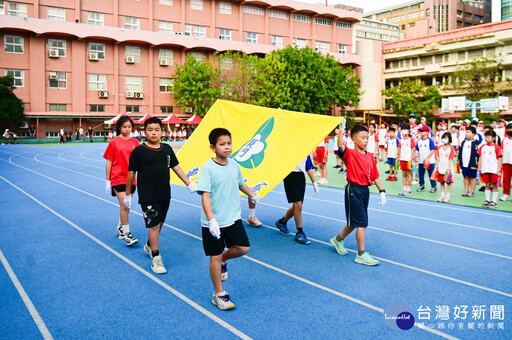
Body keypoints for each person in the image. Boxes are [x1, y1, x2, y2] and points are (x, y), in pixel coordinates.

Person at [198, 128, 261, 310]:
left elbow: (241, 183)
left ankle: (224, 260)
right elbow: (205, 196)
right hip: (214, 222)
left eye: (229, 143)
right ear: (213, 147)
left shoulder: (234, 165)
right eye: (222, 144)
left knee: (243, 248)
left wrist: (252, 194)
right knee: (214, 257)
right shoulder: (208, 168)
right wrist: (211, 220)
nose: (227, 147)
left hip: (233, 218)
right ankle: (219, 293)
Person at [125, 117, 197, 274]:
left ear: (162, 132)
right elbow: (131, 173)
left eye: (157, 130)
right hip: (148, 195)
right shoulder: (139, 151)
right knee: (154, 225)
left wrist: (189, 183)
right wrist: (128, 194)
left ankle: (150, 245)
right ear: (144, 132)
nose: (153, 133)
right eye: (150, 130)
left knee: (160, 223)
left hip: (164, 193)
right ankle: (156, 258)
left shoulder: (167, 149)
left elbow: (176, 167)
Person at [330, 124, 386, 266]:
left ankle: (338, 239)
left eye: (367, 138)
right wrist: (342, 130)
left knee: (355, 221)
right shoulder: (349, 154)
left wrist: (382, 191)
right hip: (353, 189)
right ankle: (361, 254)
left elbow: (375, 176)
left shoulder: (370, 157)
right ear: (354, 140)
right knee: (362, 222)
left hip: (364, 191)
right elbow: (340, 145)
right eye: (363, 138)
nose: (366, 140)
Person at [103, 116, 140, 247]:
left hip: (131, 178)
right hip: (117, 177)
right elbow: (109, 161)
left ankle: (120, 227)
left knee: (127, 206)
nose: (127, 129)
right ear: (119, 127)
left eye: (129, 127)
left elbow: (139, 160)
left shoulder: (135, 142)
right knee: (124, 205)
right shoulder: (114, 142)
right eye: (124, 127)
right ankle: (127, 235)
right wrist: (108, 181)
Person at [275, 156, 320, 244]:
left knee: (297, 206)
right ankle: (299, 232)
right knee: (298, 205)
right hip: (290, 176)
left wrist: (314, 182)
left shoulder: (305, 148)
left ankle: (282, 222)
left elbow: (308, 166)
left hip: (301, 177)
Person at [478, 130, 503, 208]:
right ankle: (487, 200)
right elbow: (480, 157)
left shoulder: (496, 147)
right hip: (485, 169)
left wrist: (498, 169)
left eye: (489, 137)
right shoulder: (482, 147)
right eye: (486, 137)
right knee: (487, 185)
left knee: (494, 185)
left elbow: (499, 158)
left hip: (494, 170)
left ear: (494, 138)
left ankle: (494, 201)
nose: (487, 139)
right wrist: (479, 167)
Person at [434, 132, 456, 202]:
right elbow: (438, 158)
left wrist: (449, 168)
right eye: (443, 138)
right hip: (441, 168)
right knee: (441, 182)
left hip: (448, 169)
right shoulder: (440, 147)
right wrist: (436, 167)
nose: (444, 139)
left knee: (449, 183)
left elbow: (451, 158)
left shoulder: (451, 148)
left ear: (449, 139)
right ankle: (442, 195)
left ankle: (448, 196)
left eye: (446, 138)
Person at [459, 126, 480, 197]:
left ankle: (472, 191)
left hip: (472, 163)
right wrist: (460, 161)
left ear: (473, 134)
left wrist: (477, 163)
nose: (466, 133)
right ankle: (466, 190)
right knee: (465, 177)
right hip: (464, 163)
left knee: (472, 177)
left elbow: (478, 154)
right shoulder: (463, 142)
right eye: (466, 132)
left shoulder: (476, 143)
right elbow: (460, 152)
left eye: (468, 132)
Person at [415, 126, 437, 193]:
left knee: (431, 174)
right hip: (421, 161)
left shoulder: (430, 140)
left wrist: (427, 158)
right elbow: (417, 149)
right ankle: (421, 185)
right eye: (420, 131)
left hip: (430, 161)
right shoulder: (419, 141)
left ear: (427, 132)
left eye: (422, 131)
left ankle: (433, 186)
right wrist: (416, 156)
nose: (421, 132)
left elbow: (432, 150)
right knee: (421, 173)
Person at [398, 124, 415, 196]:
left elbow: (412, 149)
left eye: (405, 129)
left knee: (408, 174)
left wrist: (412, 158)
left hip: (408, 159)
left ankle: (409, 189)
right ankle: (404, 188)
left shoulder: (411, 139)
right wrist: (398, 158)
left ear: (409, 130)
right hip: (402, 159)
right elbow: (399, 149)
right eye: (403, 129)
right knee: (403, 174)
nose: (404, 130)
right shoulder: (401, 140)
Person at [500, 123, 512, 201]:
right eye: (508, 129)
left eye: (511, 129)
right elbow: (502, 150)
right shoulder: (504, 139)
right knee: (506, 179)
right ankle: (506, 194)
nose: (509, 130)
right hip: (506, 162)